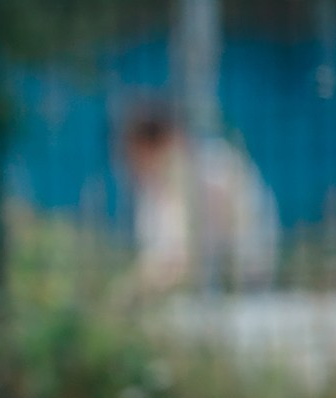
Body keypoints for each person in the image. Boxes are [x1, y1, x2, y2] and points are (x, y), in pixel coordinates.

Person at [118, 101, 279, 294]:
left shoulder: (211, 170)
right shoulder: (156, 187)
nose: (131, 165)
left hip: (236, 282)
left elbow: (184, 259)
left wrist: (143, 283)